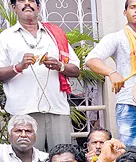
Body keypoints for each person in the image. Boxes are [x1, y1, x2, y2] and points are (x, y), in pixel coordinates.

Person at [0, 0, 80, 151]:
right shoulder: (5, 37)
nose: (27, 4)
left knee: (61, 160)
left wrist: (60, 65)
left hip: (57, 108)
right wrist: (18, 67)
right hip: (23, 111)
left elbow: (75, 69)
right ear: (13, 8)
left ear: (38, 7)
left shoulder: (55, 34)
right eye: (22, 1)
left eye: (31, 1)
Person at [85, 0, 136, 146]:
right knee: (129, 153)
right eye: (132, 7)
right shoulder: (116, 38)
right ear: (125, 13)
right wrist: (111, 72)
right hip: (129, 103)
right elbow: (91, 60)